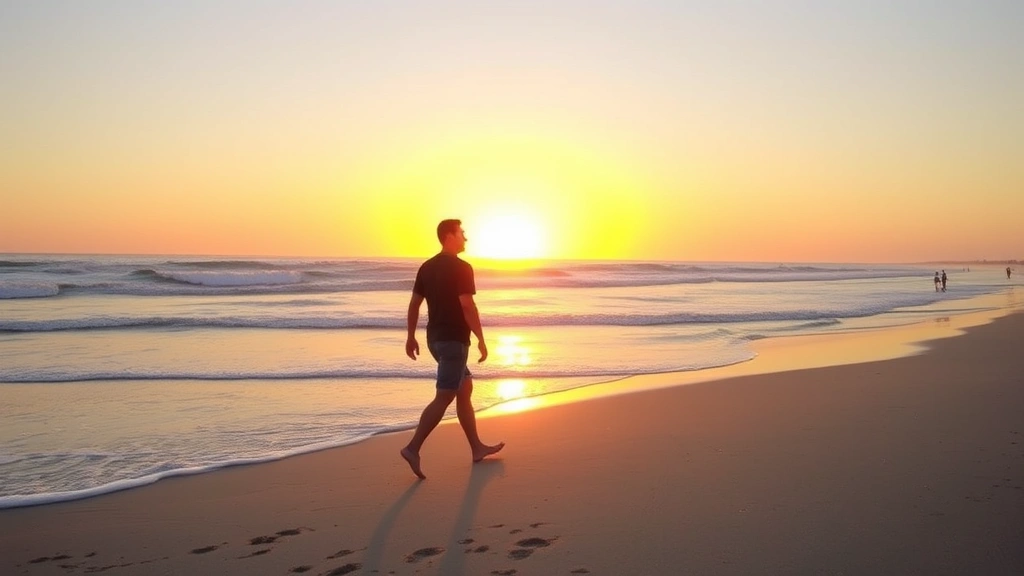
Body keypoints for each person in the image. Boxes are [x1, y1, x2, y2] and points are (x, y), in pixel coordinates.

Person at [401, 219, 504, 479]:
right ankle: (413, 448)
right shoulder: (461, 268)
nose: (465, 238)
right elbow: (467, 305)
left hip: (435, 340)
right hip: (453, 342)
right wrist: (481, 338)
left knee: (464, 387)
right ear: (449, 236)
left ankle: (477, 447)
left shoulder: (426, 267)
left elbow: (414, 305)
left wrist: (411, 336)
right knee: (445, 395)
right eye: (462, 233)